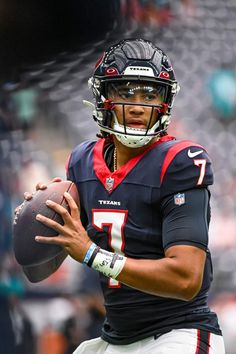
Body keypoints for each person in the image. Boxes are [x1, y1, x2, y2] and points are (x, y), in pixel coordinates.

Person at [23, 38, 225, 353]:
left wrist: (91, 254)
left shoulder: (181, 161)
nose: (136, 106)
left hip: (175, 334)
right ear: (104, 96)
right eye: (125, 92)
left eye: (149, 94)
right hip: (115, 337)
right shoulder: (82, 161)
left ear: (165, 102)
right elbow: (37, 269)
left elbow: (186, 279)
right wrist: (43, 216)